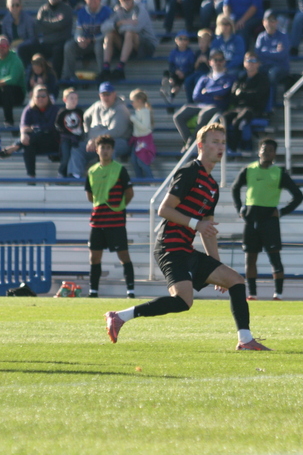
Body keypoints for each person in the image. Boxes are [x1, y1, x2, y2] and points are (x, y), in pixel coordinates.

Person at [104, 122, 271, 351]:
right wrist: (197, 223)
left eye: (223, 142)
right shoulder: (190, 171)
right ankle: (119, 316)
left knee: (235, 281)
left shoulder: (212, 185)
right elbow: (164, 209)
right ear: (201, 146)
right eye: (214, 142)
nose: (220, 147)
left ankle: (245, 340)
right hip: (169, 247)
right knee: (183, 302)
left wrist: (216, 263)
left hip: (185, 248)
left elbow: (208, 229)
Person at [231, 138, 303, 301]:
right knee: (250, 257)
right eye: (264, 149)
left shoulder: (279, 173)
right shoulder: (249, 170)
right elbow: (235, 187)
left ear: (275, 153)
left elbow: (298, 195)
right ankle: (252, 293)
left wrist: (282, 211)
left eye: (270, 150)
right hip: (251, 218)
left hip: (269, 219)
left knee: (274, 256)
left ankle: (278, 294)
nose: (267, 152)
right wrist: (239, 208)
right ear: (259, 151)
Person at [85, 133, 136, 298]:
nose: (105, 151)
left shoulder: (120, 169)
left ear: (112, 150)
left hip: (116, 221)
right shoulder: (92, 171)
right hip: (97, 220)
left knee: (123, 255)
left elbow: (129, 193)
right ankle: (93, 292)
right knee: (94, 257)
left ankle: (131, 291)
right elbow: (90, 195)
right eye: (102, 148)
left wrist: (119, 207)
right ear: (97, 150)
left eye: (108, 148)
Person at [0, 84, 60, 181]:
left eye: (43, 96)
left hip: (52, 141)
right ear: (33, 97)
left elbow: (52, 127)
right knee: (27, 144)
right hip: (36, 143)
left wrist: (33, 128)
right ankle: (31, 176)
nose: (40, 99)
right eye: (38, 96)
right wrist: (24, 135)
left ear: (48, 97)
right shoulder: (28, 110)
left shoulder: (55, 109)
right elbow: (23, 127)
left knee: (40, 133)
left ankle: (15, 146)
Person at [173, 49, 234, 150]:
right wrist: (214, 95)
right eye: (215, 60)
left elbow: (224, 92)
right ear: (210, 62)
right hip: (201, 105)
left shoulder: (230, 78)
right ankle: (191, 143)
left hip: (218, 107)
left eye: (220, 60)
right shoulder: (204, 78)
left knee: (205, 113)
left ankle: (190, 147)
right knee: (179, 115)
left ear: (224, 62)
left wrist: (207, 91)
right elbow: (196, 96)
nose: (218, 62)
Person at [17, 0, 74, 79]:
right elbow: (38, 27)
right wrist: (54, 24)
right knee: (23, 48)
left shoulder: (67, 9)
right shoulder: (43, 9)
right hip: (45, 43)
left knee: (58, 50)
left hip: (60, 43)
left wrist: (46, 23)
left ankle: (55, 79)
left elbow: (60, 24)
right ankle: (29, 75)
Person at [99, 0, 157, 81]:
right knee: (109, 34)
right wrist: (121, 22)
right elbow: (103, 28)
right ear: (120, 0)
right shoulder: (118, 11)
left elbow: (135, 28)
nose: (126, 1)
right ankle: (106, 67)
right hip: (128, 45)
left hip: (146, 46)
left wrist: (118, 26)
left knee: (129, 33)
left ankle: (120, 68)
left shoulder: (140, 9)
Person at [62, 0, 112, 82]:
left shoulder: (107, 11)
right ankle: (68, 76)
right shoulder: (82, 13)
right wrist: (79, 39)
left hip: (100, 41)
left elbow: (109, 32)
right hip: (86, 42)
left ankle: (102, 74)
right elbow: (78, 30)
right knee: (69, 46)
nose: (94, 1)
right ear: (85, 0)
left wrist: (94, 39)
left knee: (99, 46)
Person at [224, 52, 269, 153]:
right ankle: (227, 147)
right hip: (239, 108)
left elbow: (257, 96)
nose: (251, 63)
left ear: (258, 64)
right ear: (244, 63)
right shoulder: (241, 78)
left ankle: (235, 149)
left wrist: (241, 94)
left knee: (238, 121)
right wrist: (241, 95)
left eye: (254, 61)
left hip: (254, 109)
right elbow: (233, 96)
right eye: (248, 60)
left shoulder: (263, 79)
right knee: (222, 119)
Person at [83, 81, 132, 160]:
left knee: (107, 150)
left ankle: (109, 172)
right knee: (78, 149)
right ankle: (75, 172)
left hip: (119, 141)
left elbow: (115, 131)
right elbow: (85, 117)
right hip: (97, 141)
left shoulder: (121, 109)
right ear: (99, 95)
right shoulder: (97, 105)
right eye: (103, 95)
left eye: (108, 94)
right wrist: (87, 133)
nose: (106, 97)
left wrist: (95, 140)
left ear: (114, 94)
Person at [254, 10, 290, 114]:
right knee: (252, 72)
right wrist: (274, 52)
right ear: (263, 22)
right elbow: (258, 55)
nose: (270, 23)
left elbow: (282, 56)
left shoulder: (283, 36)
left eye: (273, 20)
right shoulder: (261, 37)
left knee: (272, 75)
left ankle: (270, 107)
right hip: (265, 66)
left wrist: (265, 52)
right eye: (267, 20)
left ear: (277, 22)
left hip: (280, 67)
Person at [55, 87, 88, 178]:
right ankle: (61, 173)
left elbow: (82, 124)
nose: (74, 100)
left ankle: (72, 173)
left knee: (75, 155)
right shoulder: (62, 112)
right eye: (71, 98)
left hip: (77, 139)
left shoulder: (79, 112)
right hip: (66, 139)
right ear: (65, 99)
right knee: (66, 157)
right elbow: (58, 125)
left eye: (76, 98)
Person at [128, 88, 155, 178]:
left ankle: (151, 181)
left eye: (133, 101)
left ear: (139, 101)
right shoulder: (138, 111)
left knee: (142, 161)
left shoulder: (145, 112)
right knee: (134, 160)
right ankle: (140, 181)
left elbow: (144, 127)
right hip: (138, 141)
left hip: (144, 140)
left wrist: (133, 119)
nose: (131, 103)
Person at [164, 30, 195, 103]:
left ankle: (172, 95)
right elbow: (171, 65)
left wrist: (184, 73)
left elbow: (192, 67)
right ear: (176, 40)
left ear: (188, 41)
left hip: (186, 73)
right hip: (176, 72)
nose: (183, 41)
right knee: (170, 78)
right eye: (180, 39)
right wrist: (176, 71)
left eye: (185, 39)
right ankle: (169, 92)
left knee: (181, 81)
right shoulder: (173, 52)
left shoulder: (190, 53)